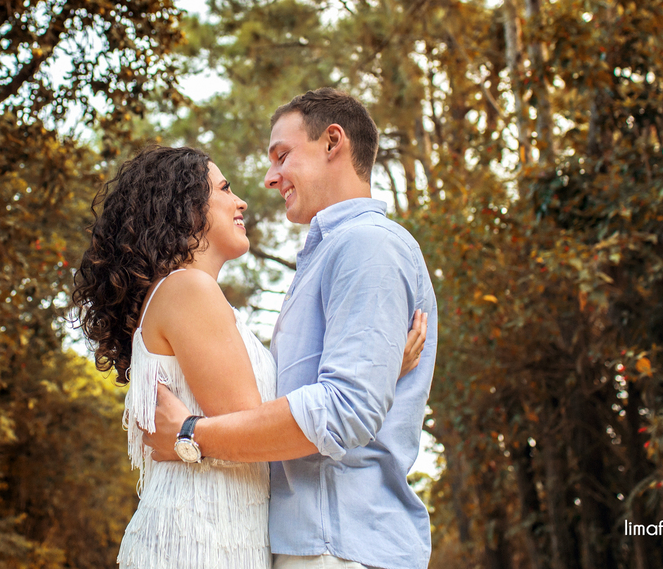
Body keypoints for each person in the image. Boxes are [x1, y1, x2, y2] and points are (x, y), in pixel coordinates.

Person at [72, 144, 428, 569]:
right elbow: (261, 435)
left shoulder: (191, 295)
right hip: (198, 538)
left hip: (221, 530)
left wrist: (376, 367)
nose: (241, 200)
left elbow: (265, 422)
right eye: (224, 188)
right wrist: (372, 376)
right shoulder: (190, 290)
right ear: (185, 207)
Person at [145, 88, 438, 569]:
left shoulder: (367, 245)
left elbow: (344, 410)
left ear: (332, 143)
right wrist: (383, 371)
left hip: (337, 544)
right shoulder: (325, 258)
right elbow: (318, 397)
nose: (268, 177)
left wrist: (191, 433)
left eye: (282, 155)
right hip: (310, 542)